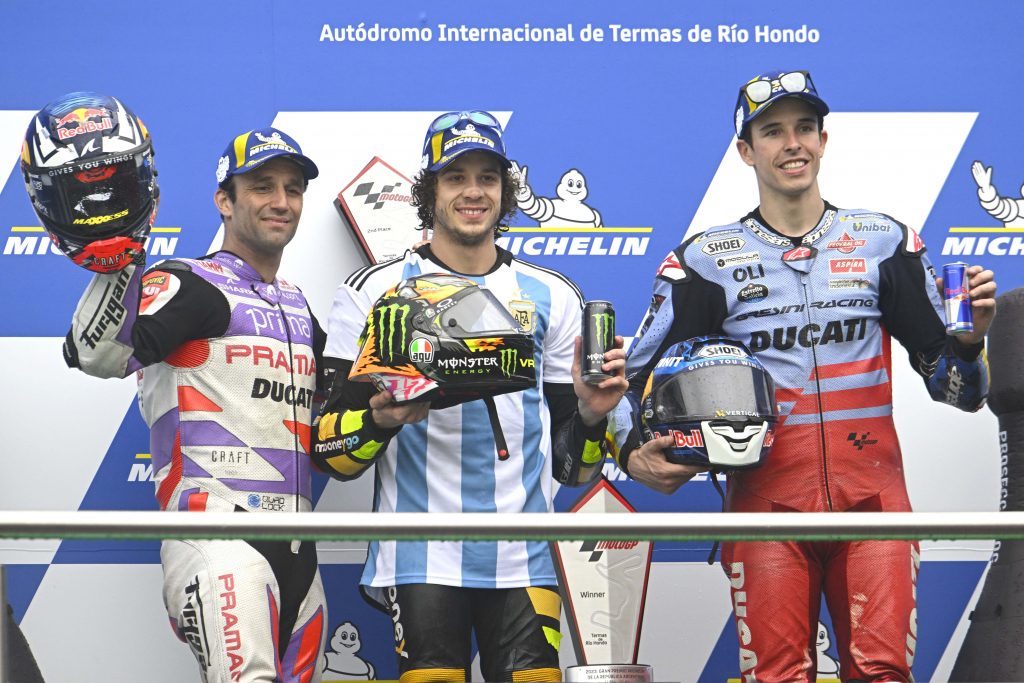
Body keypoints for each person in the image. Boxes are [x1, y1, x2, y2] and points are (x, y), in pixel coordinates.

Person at [610, 70, 996, 682]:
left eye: (804, 128)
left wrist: (970, 343)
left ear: (823, 140)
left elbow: (960, 393)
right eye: (772, 131)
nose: (792, 143)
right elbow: (628, 383)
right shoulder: (704, 261)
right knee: (778, 677)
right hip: (765, 509)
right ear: (746, 150)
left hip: (875, 505)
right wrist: (632, 454)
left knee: (882, 674)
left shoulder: (885, 242)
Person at [313, 110, 628, 682]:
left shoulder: (552, 294)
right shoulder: (374, 291)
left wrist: (590, 415)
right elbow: (329, 453)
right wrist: (381, 420)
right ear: (429, 190)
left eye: (487, 177)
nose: (473, 191)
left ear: (506, 190)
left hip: (526, 554)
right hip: (418, 553)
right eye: (455, 177)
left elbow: (573, 473)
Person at [23, 95, 328, 682]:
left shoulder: (297, 304)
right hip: (219, 538)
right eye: (262, 187)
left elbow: (335, 425)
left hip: (301, 552)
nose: (281, 201)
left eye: (293, 189)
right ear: (224, 200)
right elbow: (100, 354)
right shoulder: (186, 281)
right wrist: (119, 258)